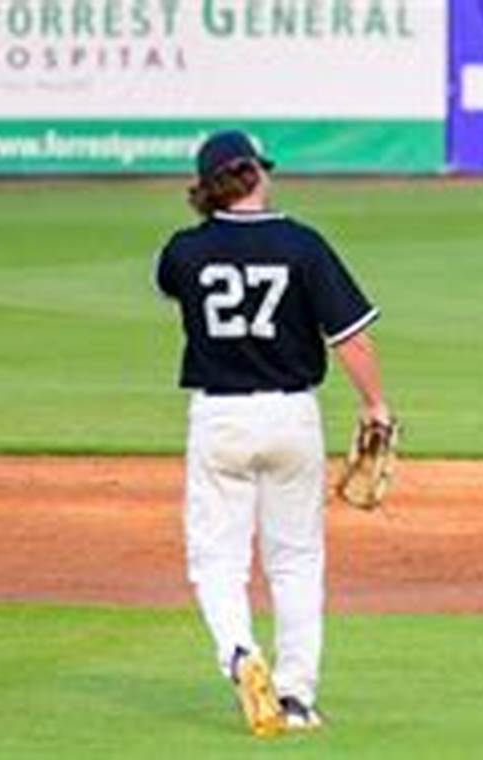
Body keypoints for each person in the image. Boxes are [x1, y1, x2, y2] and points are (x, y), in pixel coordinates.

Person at [155, 130, 393, 735]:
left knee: (217, 559)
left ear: (207, 188)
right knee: (295, 560)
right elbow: (351, 338)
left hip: (219, 418)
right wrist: (376, 405)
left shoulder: (183, 251)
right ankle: (296, 696)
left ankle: (239, 653)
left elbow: (174, 287)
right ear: (258, 175)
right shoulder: (302, 245)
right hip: (292, 417)